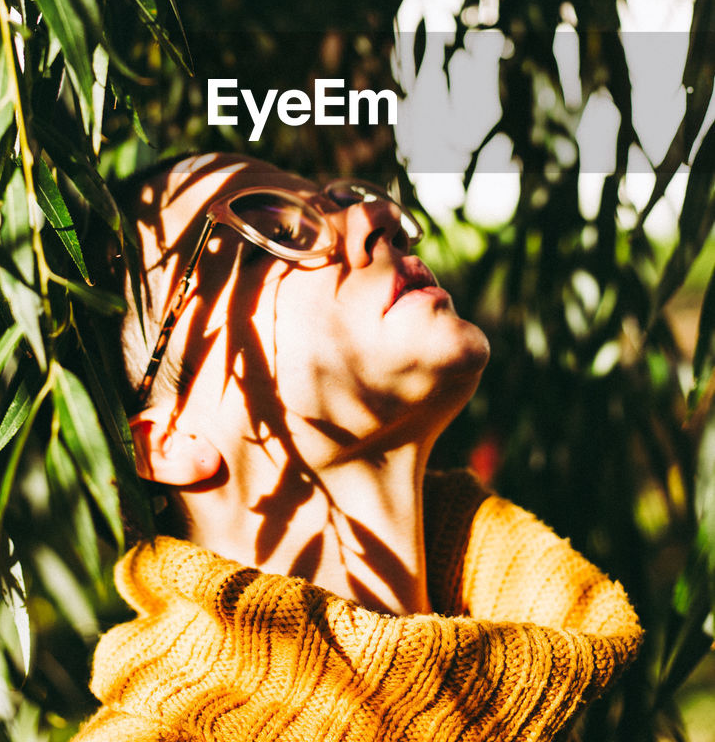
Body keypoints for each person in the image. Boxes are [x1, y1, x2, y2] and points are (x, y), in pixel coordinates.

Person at [75, 152, 642, 742]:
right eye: (274, 236)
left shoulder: (572, 706)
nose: (379, 213)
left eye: (347, 201)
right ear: (169, 442)